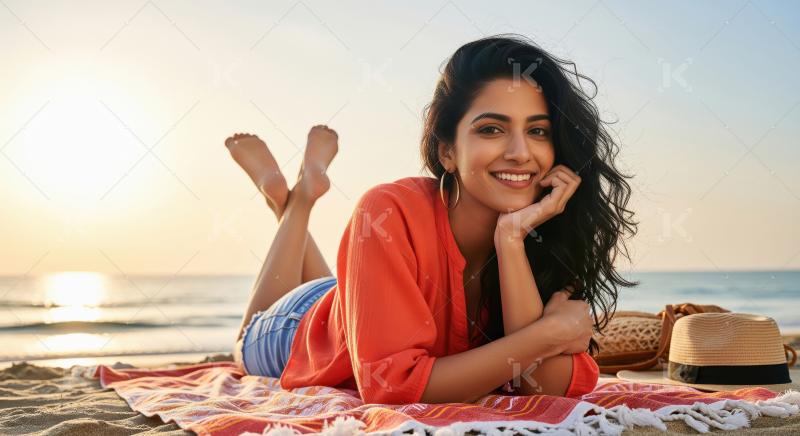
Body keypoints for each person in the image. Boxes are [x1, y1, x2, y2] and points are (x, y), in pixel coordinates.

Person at [228, 34, 638, 405]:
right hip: (300, 323)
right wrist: (546, 335)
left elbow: (541, 386)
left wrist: (510, 241)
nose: (519, 152)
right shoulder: (387, 210)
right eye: (492, 129)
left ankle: (288, 199)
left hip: (363, 295)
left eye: (539, 131)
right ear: (446, 152)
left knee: (343, 298)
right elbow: (390, 387)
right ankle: (295, 202)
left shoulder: (550, 225)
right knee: (245, 338)